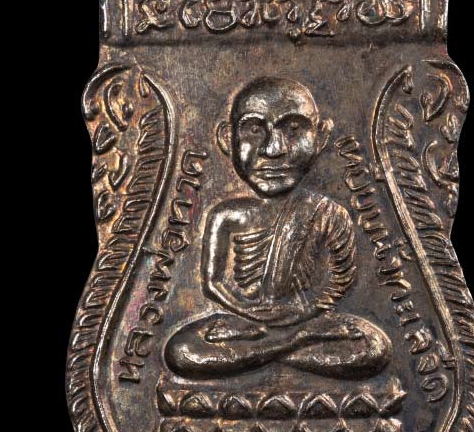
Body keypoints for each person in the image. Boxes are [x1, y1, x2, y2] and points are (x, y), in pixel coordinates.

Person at [164, 77, 392, 379]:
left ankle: (269, 351)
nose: (273, 149)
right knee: (182, 351)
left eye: (294, 130)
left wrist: (302, 313)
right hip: (244, 322)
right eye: (254, 129)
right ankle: (291, 345)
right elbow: (213, 283)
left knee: (374, 347)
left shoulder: (329, 213)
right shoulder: (226, 214)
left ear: (321, 137)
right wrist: (248, 313)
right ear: (227, 139)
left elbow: (341, 278)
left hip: (306, 318)